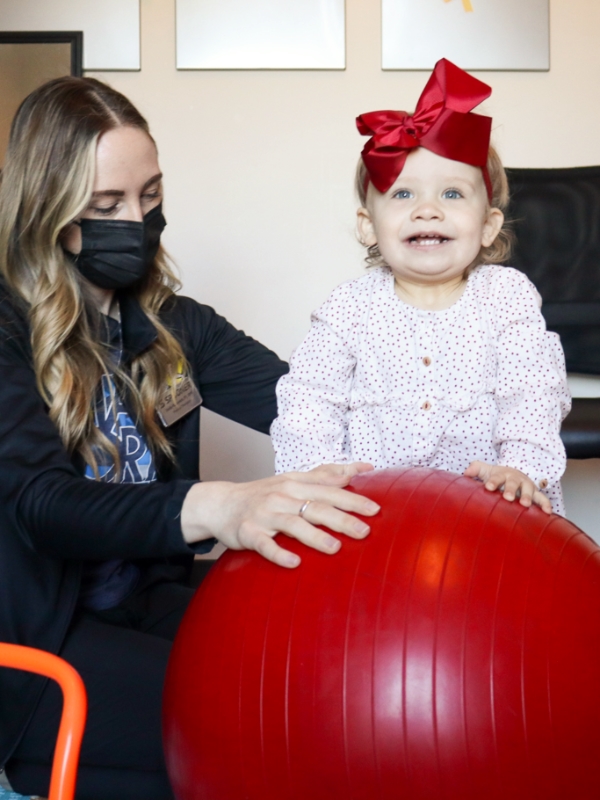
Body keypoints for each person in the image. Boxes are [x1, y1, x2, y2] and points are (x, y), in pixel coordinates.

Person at [0, 77, 380, 800]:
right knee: (248, 724)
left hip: (144, 596)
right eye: (106, 207)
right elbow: (39, 505)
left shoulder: (174, 325)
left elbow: (319, 411)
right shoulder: (7, 327)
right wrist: (216, 507)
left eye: (150, 196)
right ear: (46, 212)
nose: (138, 223)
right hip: (38, 641)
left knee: (313, 682)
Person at [272, 58, 571, 515]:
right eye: (403, 194)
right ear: (368, 226)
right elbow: (309, 399)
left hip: (493, 508)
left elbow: (533, 389)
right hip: (376, 510)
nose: (427, 210)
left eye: (452, 194)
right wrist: (314, 475)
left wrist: (522, 467)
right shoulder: (350, 307)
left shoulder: (507, 296)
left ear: (489, 226)